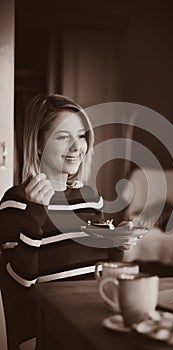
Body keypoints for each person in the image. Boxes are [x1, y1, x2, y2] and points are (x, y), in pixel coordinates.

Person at [0, 94, 126, 349]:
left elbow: (105, 269)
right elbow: (19, 283)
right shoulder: (15, 202)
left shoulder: (90, 197)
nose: (77, 147)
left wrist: (118, 243)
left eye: (81, 136)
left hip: (96, 324)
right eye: (63, 136)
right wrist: (36, 213)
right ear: (38, 144)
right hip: (50, 334)